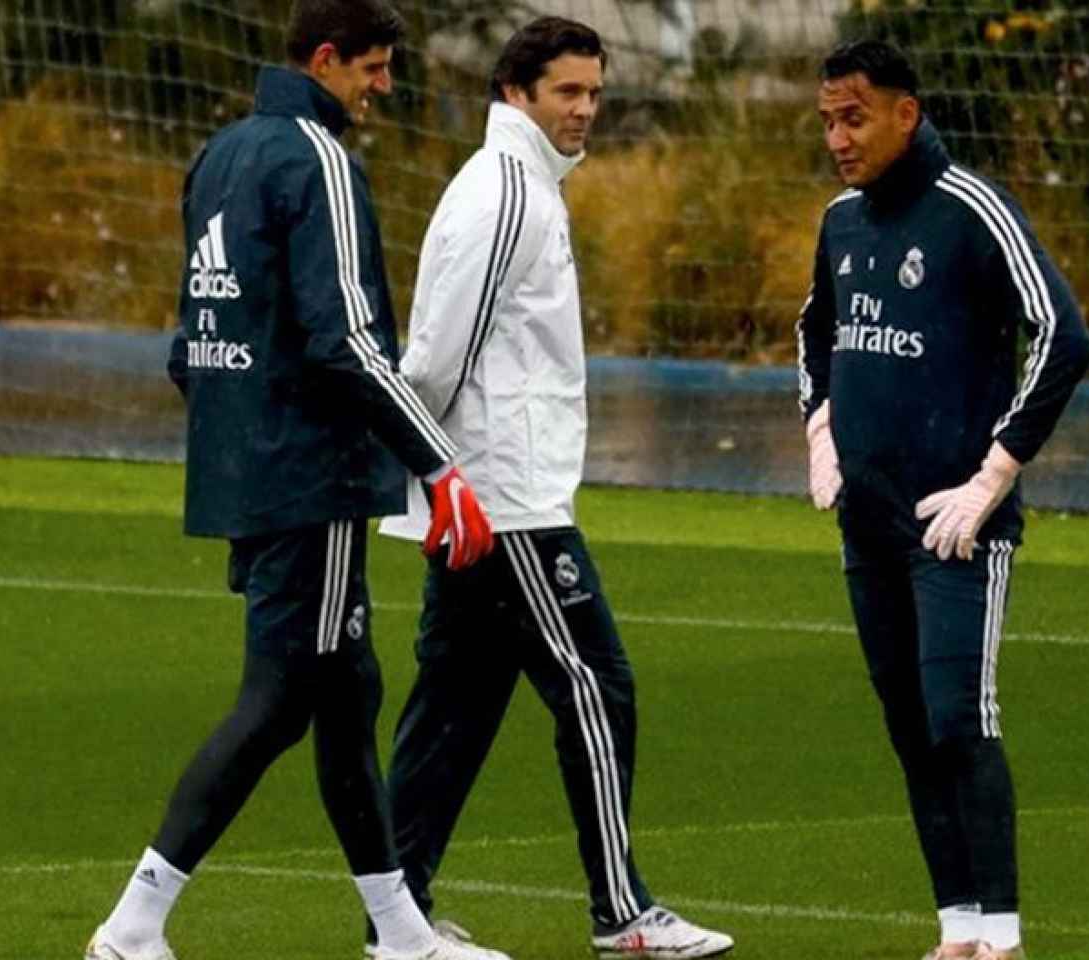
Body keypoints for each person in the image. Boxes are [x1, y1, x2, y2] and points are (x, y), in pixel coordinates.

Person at [83, 2, 507, 958]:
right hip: (308, 476)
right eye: (373, 67)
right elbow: (348, 340)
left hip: (246, 467)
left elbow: (193, 343)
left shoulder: (219, 154)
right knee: (279, 699)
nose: (383, 87)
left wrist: (238, 443)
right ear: (326, 60)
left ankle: (402, 932)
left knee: (348, 685)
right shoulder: (318, 159)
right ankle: (133, 923)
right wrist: (437, 465)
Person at [369, 17, 735, 960]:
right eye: (568, 92)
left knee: (454, 702)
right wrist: (438, 474)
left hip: (493, 489)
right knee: (597, 686)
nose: (585, 110)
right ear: (516, 91)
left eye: (595, 93)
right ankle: (621, 911)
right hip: (506, 499)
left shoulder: (523, 184)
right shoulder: (504, 192)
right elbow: (438, 351)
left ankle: (397, 917)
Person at [797, 39, 1089, 960]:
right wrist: (819, 429)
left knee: (960, 716)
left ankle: (1002, 937)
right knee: (909, 726)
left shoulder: (971, 209)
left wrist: (993, 474)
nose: (839, 139)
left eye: (854, 118)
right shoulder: (841, 221)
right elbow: (815, 330)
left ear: (905, 114)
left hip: (958, 525)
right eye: (827, 122)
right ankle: (957, 929)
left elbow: (1063, 334)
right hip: (869, 521)